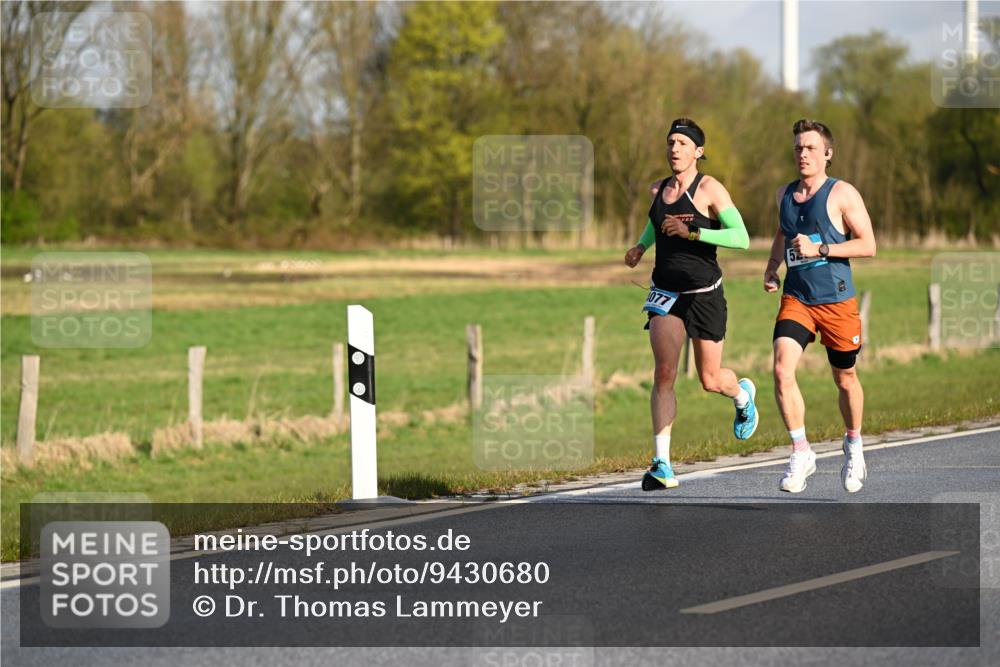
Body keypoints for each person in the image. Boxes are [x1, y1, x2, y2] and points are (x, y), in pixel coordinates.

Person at [624, 117, 758, 491]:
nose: (675, 148)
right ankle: (662, 464)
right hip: (665, 293)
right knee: (663, 374)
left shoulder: (711, 189)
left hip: (704, 294)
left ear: (698, 151)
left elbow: (742, 237)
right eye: (671, 142)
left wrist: (693, 231)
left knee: (710, 380)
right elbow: (656, 222)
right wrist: (641, 246)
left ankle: (743, 394)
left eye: (683, 143)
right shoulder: (658, 189)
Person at [763, 119, 877, 494]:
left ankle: (854, 444)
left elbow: (868, 245)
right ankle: (800, 451)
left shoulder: (842, 193)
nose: (803, 154)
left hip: (837, 301)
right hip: (798, 299)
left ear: (827, 154)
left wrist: (822, 249)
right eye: (798, 147)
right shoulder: (783, 193)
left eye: (811, 148)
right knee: (781, 370)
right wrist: (771, 268)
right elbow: (782, 232)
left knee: (844, 378)